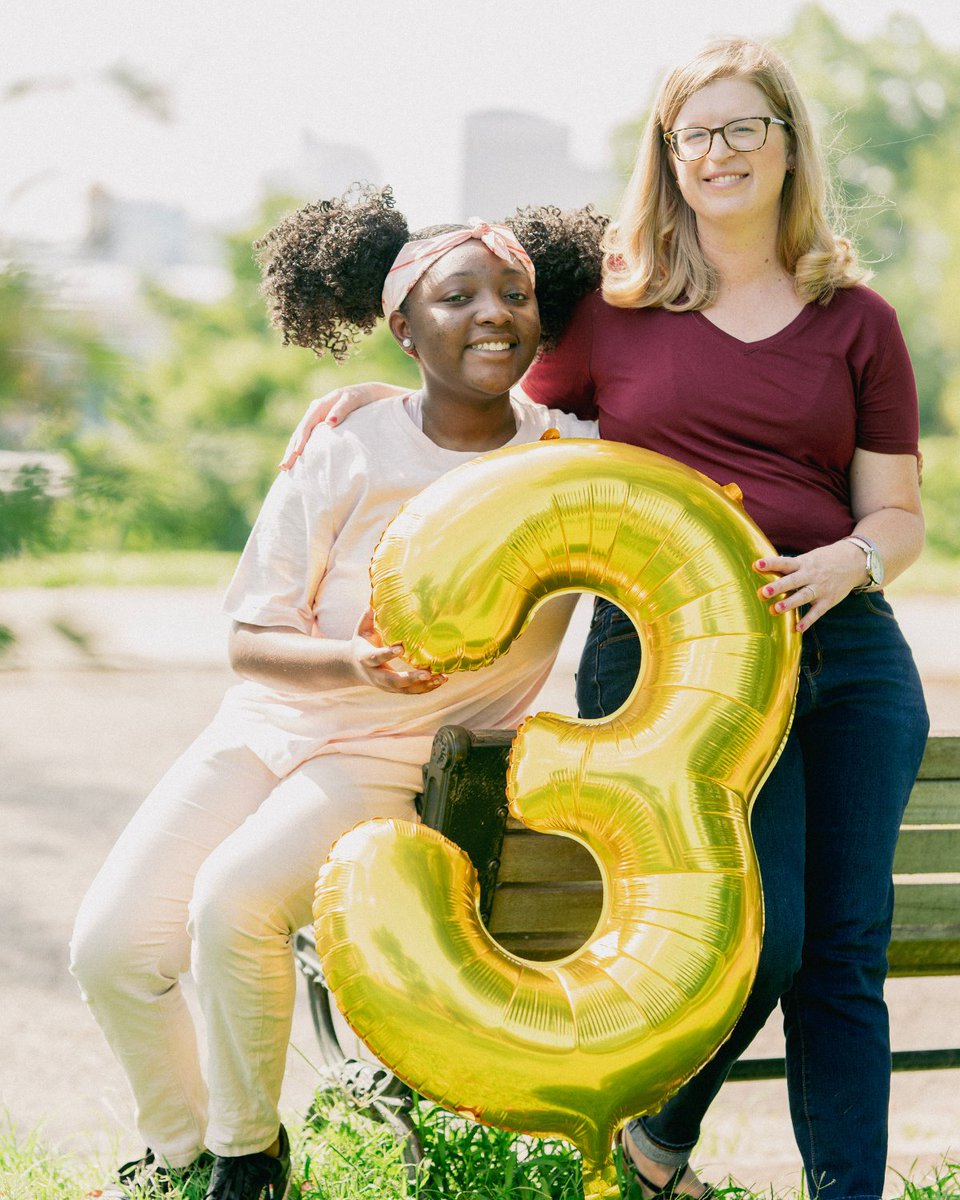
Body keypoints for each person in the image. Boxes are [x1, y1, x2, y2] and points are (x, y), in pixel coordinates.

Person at [292, 39, 929, 1200]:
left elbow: (896, 514)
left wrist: (849, 561)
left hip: (845, 651)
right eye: (696, 135)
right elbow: (491, 415)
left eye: (744, 129)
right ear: (667, 158)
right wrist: (378, 404)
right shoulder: (612, 309)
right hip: (668, 669)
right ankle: (656, 1137)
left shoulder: (858, 320)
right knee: (764, 942)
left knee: (843, 955)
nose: (720, 154)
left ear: (789, 145)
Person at [70, 185, 604, 1200]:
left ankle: (245, 1164)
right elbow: (249, 637)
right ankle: (179, 1158)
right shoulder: (348, 443)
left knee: (233, 907)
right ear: (401, 328)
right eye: (458, 296)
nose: (493, 312)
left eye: (515, 293)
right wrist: (354, 662)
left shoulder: (567, 462)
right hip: (272, 723)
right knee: (110, 948)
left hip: (400, 754)